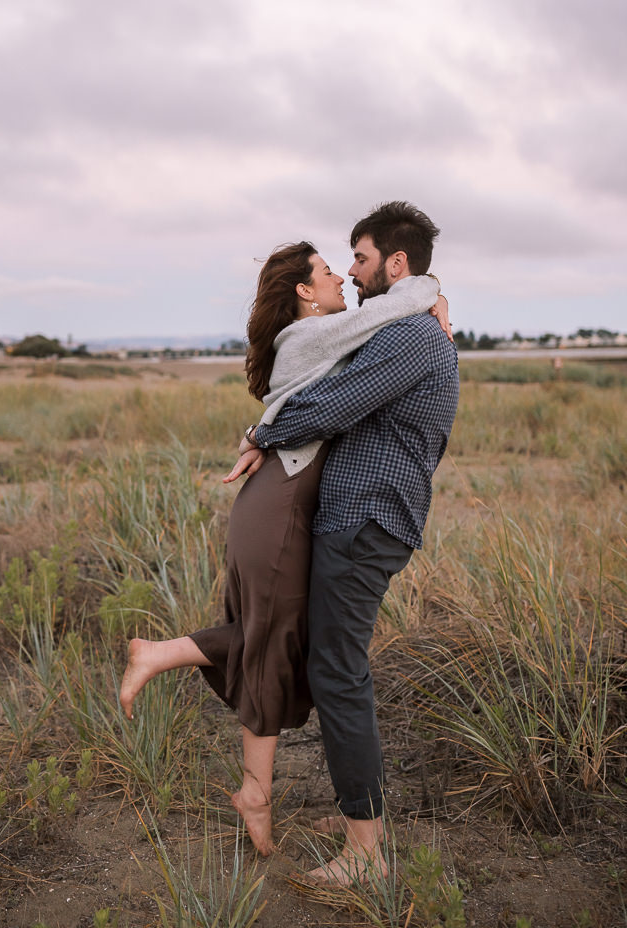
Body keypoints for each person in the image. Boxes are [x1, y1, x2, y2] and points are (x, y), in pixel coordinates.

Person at [120, 236, 448, 855]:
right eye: (330, 270)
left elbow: (384, 332)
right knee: (275, 637)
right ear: (304, 291)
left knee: (277, 637)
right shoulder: (312, 335)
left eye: (351, 264)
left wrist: (433, 309)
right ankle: (171, 673)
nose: (343, 279)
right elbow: (384, 316)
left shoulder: (328, 334)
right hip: (284, 507)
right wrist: (430, 293)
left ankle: (233, 759)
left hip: (281, 501)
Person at [242, 201, 459, 885]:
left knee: (337, 671)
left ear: (396, 263)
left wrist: (261, 433)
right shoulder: (406, 327)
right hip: (359, 516)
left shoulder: (409, 340)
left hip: (366, 520)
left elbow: (333, 404)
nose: (355, 273)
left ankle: (366, 854)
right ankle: (357, 810)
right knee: (333, 664)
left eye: (361, 259)